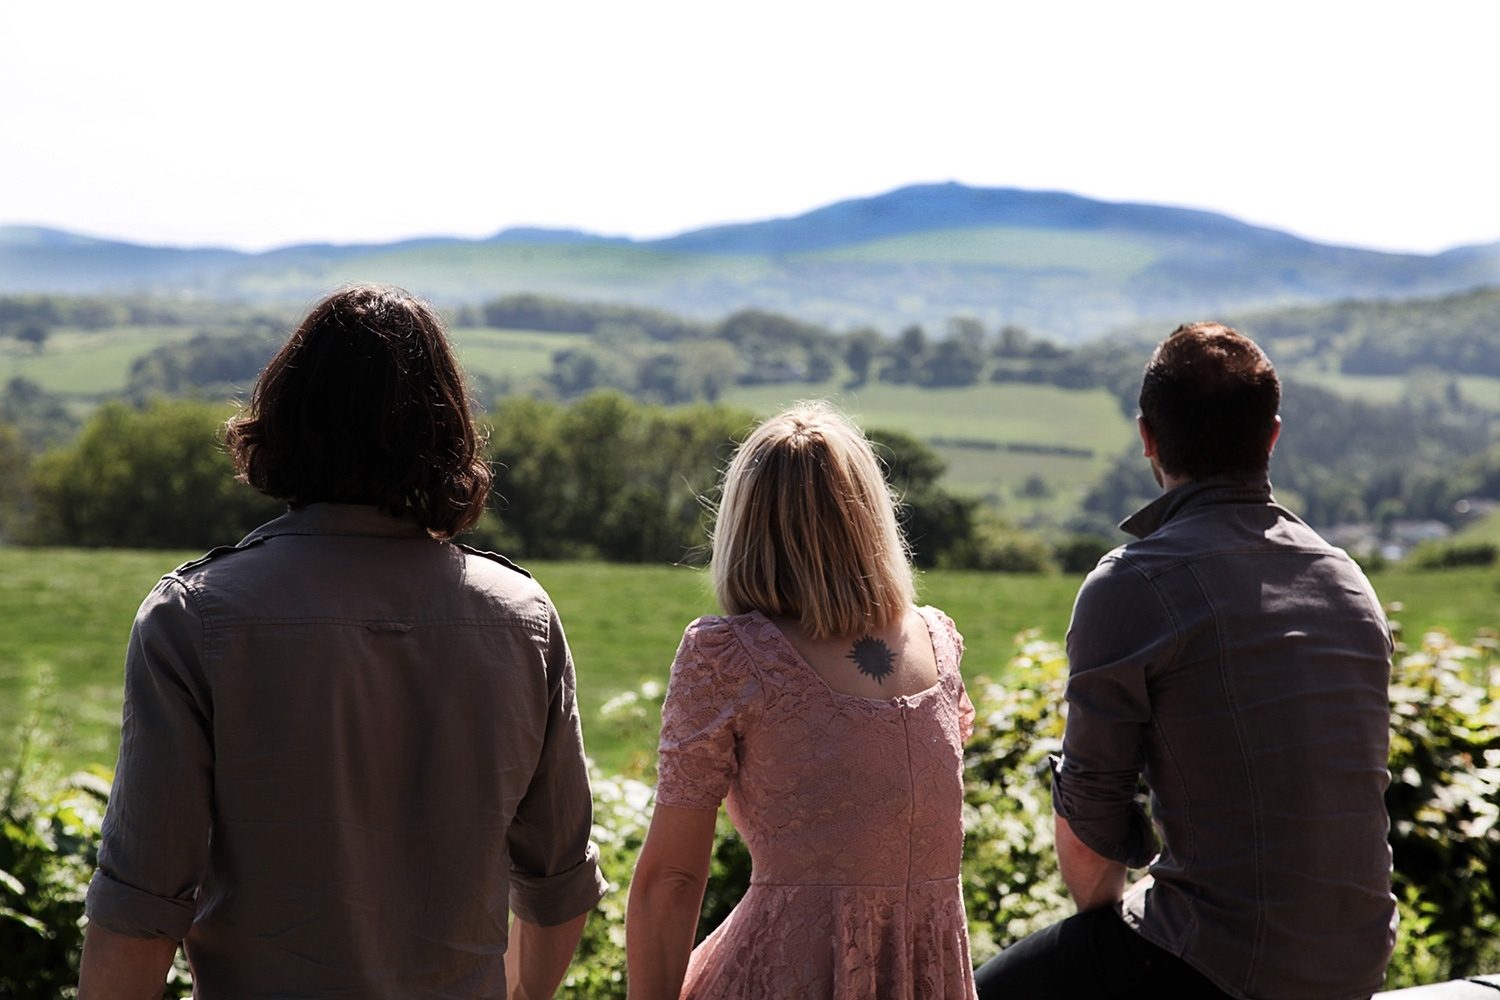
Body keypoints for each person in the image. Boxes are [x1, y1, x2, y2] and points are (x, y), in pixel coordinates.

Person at [78, 284, 606, 998]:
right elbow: (559, 882)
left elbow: (142, 900)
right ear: (446, 429)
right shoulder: (522, 618)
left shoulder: (195, 618)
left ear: (287, 416)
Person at [974, 322, 1397, 999]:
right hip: (1358, 961)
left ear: (1146, 436)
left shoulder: (1135, 583)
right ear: (1272, 436)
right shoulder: (1348, 580)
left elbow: (1091, 833)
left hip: (1222, 966)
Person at [625, 402, 979, 999]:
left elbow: (673, 879)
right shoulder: (937, 642)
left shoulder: (729, 656)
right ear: (871, 519)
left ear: (743, 523)